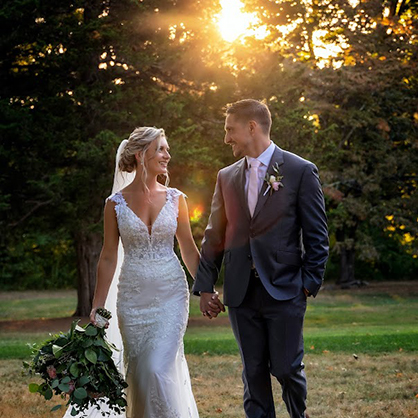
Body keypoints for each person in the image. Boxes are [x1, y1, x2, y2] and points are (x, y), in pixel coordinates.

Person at [65, 126, 220, 418]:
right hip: (133, 300)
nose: (167, 154)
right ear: (140, 155)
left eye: (167, 148)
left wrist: (207, 288)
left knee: (156, 369)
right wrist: (97, 306)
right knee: (139, 374)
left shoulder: (177, 199)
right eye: (161, 148)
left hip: (171, 295)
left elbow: (187, 248)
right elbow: (109, 257)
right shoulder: (114, 204)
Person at [193, 99, 329, 418]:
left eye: (230, 130)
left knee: (285, 368)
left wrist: (307, 285)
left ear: (251, 127)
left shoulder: (299, 170)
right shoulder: (226, 176)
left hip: (285, 289)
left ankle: (299, 414)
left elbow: (317, 235)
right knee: (253, 373)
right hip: (241, 292)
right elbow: (215, 234)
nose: (227, 138)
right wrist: (205, 287)